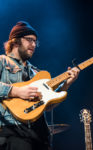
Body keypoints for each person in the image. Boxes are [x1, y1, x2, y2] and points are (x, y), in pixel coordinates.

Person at [0, 21, 80, 150]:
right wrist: (16, 91)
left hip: (40, 135)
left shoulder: (36, 72)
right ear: (15, 41)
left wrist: (66, 85)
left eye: (35, 42)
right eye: (29, 40)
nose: (33, 45)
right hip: (13, 132)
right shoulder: (3, 61)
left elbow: (48, 106)